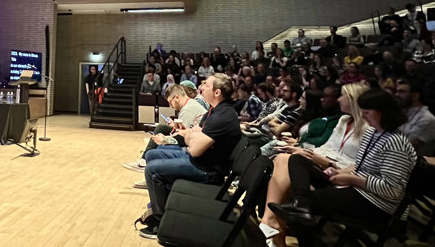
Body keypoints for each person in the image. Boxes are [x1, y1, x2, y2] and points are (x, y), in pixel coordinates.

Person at [268, 89, 417, 247]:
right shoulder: (372, 133)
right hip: (359, 189)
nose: (363, 116)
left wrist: (351, 178)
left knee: (304, 206)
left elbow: (393, 189)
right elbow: (359, 167)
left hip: (378, 204)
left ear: (383, 112)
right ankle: (301, 204)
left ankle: (302, 207)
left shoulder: (396, 143)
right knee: (298, 159)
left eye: (366, 112)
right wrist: (340, 172)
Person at [260, 82, 370, 247]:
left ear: (354, 100)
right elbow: (328, 147)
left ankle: (272, 223)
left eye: (343, 96)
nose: (339, 99)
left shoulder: (369, 129)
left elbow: (360, 164)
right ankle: (274, 226)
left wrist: (320, 159)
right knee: (285, 159)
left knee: (288, 166)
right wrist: (305, 151)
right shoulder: (343, 120)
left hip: (341, 174)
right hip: (322, 164)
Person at [138, 74, 242, 239]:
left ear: (217, 92)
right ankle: (163, 207)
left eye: (206, 85)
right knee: (152, 155)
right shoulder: (214, 111)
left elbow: (193, 149)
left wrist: (191, 136)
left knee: (152, 170)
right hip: (200, 161)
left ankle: (160, 223)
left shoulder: (223, 116)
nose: (201, 87)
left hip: (208, 171)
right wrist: (191, 135)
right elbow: (192, 133)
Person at [123, 84, 208, 179]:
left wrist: (165, 140)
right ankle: (145, 162)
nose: (170, 106)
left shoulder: (188, 109)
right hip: (196, 142)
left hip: (196, 150)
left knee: (159, 145)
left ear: (176, 97)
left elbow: (183, 138)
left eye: (170, 102)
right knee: (161, 128)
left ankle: (151, 169)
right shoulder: (189, 105)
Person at [396, 78, 435, 156]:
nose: (396, 95)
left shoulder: (427, 119)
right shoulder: (403, 113)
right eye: (397, 91)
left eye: (402, 92)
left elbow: (406, 148)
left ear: (415, 96)